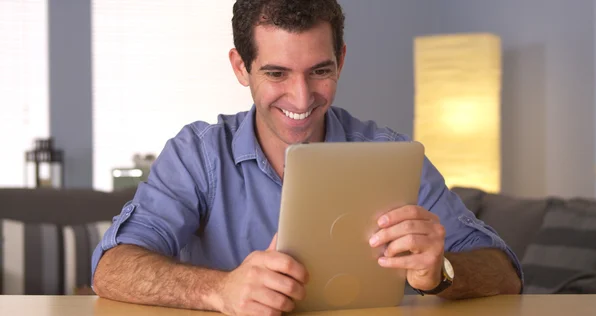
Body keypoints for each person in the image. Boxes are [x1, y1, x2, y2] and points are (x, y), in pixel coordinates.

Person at [91, 0, 523, 315]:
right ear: (241, 67)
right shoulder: (198, 154)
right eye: (277, 73)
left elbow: (504, 272)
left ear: (341, 60)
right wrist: (219, 290)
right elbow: (111, 269)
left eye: (320, 71)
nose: (302, 97)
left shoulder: (387, 153)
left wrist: (440, 272)